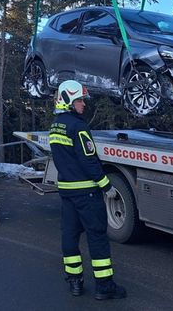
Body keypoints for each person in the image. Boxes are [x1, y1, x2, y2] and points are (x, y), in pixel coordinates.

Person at [49, 79, 126, 301]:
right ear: (68, 101)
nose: (83, 104)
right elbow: (89, 160)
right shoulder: (78, 126)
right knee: (97, 236)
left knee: (70, 236)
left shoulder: (56, 125)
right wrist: (106, 185)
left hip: (67, 191)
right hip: (87, 192)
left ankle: (74, 282)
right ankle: (104, 286)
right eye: (80, 100)